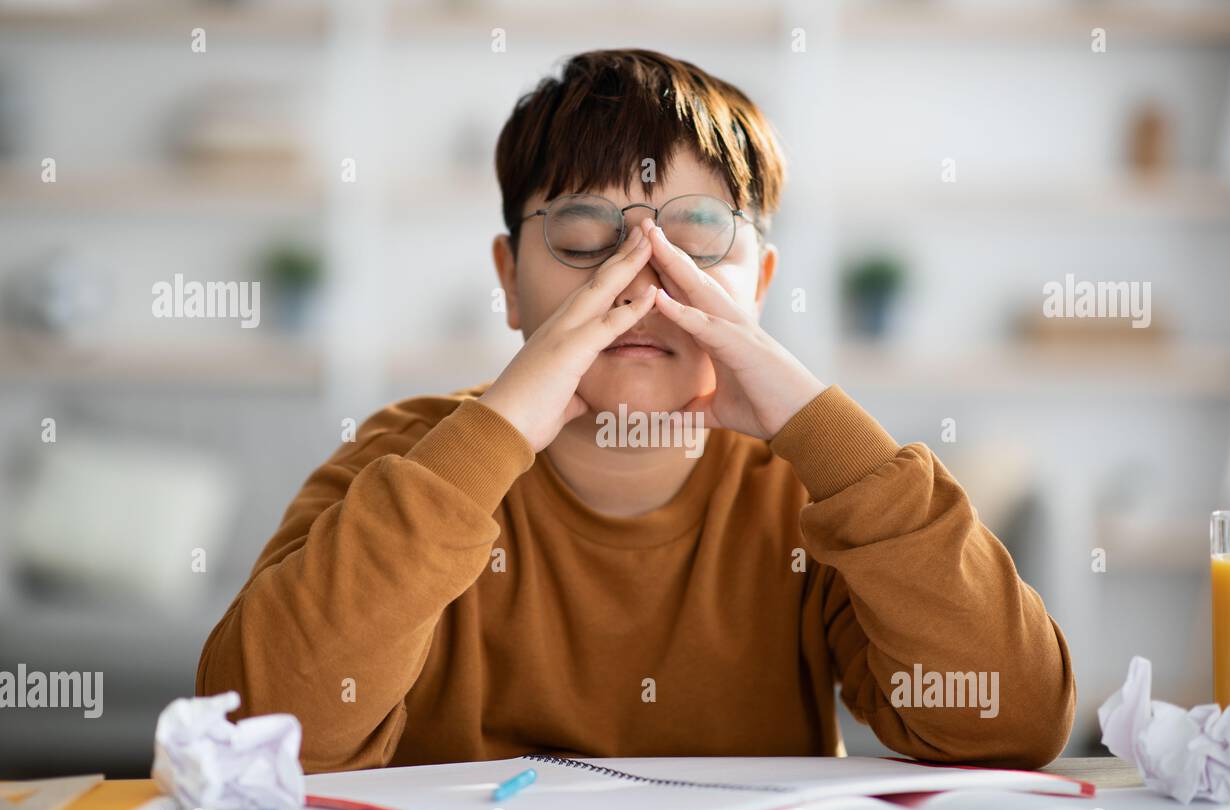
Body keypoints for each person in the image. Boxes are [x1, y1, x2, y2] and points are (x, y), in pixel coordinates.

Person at [196, 49, 1076, 773]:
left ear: (759, 286)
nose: (642, 284)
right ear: (508, 280)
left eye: (696, 245)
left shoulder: (812, 494)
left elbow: (1014, 723)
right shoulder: (407, 460)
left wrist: (820, 425)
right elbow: (253, 740)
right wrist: (491, 441)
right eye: (585, 243)